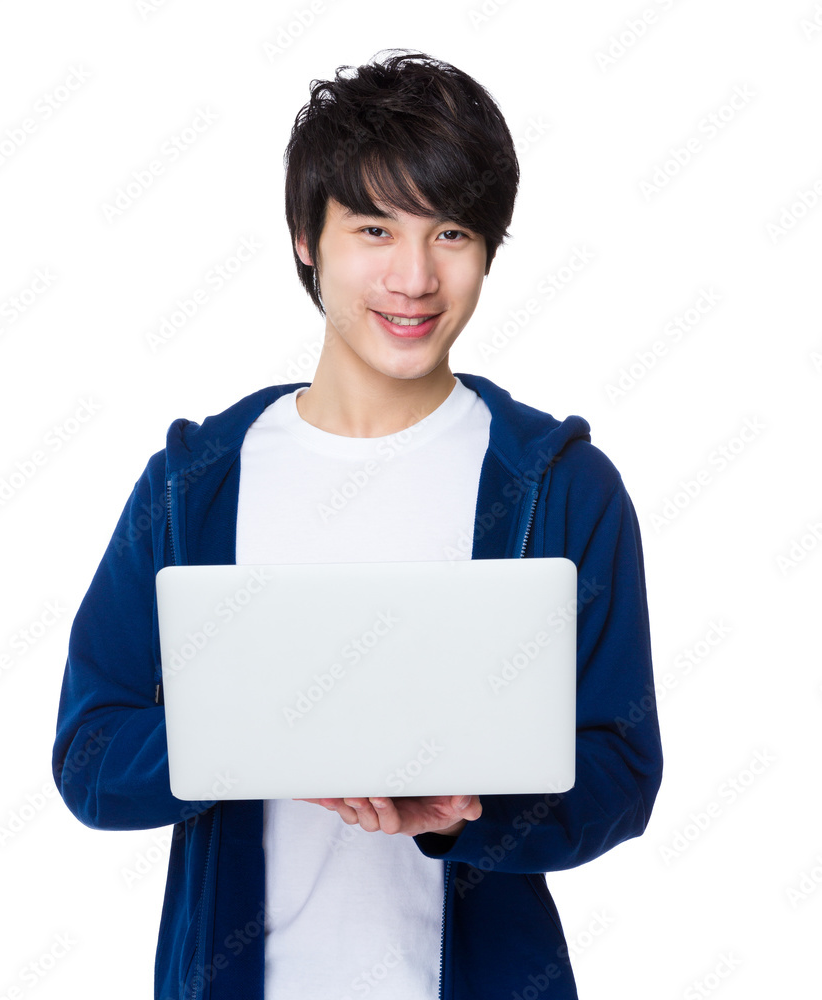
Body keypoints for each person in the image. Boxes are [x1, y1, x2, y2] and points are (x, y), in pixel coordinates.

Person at [52, 50, 663, 1000]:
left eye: (451, 232)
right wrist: (257, 735)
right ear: (307, 237)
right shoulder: (193, 486)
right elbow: (90, 758)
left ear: (489, 246)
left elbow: (622, 770)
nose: (413, 277)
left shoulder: (561, 488)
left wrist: (464, 812)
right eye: (374, 227)